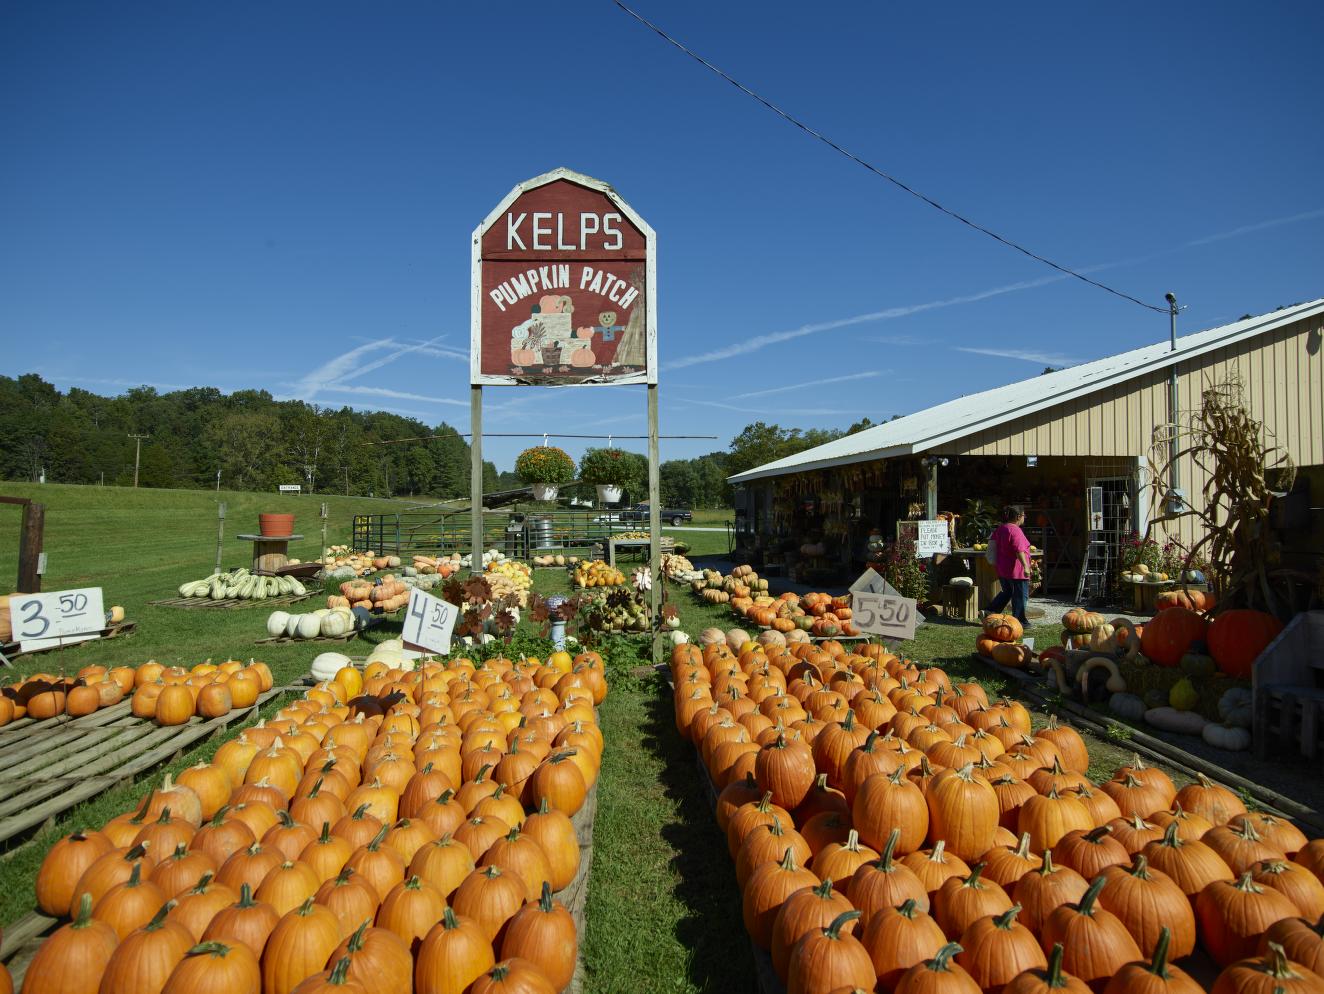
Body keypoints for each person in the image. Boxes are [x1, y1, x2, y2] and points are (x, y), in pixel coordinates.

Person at [986, 505, 1032, 626]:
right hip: (1016, 570)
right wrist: (1026, 567)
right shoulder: (1015, 530)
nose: (1024, 518)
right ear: (1018, 517)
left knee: (1007, 592)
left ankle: (991, 610)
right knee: (1020, 595)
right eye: (1023, 516)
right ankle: (1019, 620)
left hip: (1003, 568)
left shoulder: (1001, 529)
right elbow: (1019, 550)